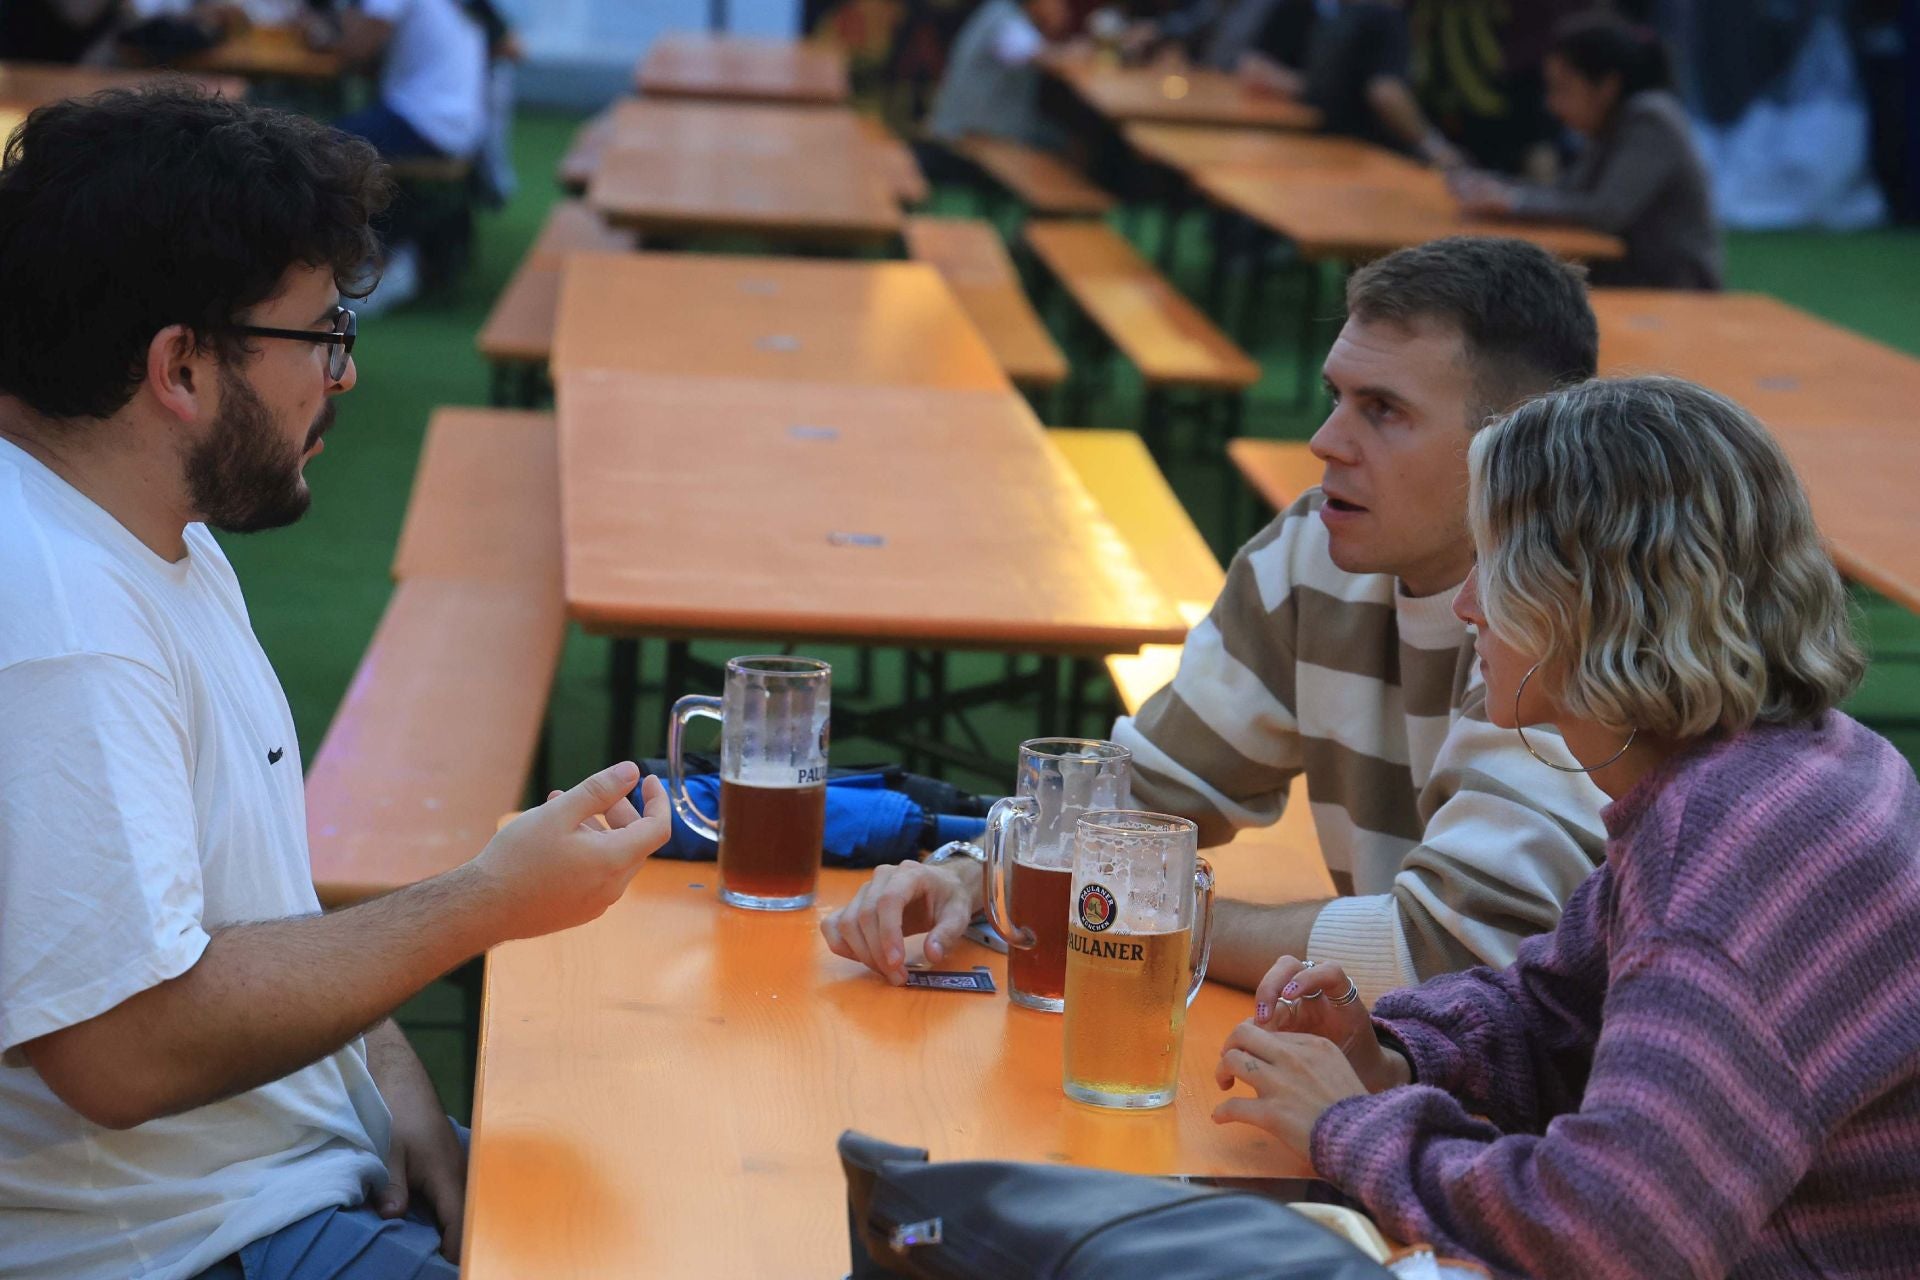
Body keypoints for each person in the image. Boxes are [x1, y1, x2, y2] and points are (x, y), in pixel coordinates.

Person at [0, 88, 670, 1278]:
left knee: (675, 1203)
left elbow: (234, 916)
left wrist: (384, 1070)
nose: (345, 377)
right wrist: (483, 898)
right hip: (181, 1239)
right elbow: (121, 1046)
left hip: (280, 1175)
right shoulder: (60, 624)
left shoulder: (151, 528)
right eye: (323, 334)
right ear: (182, 368)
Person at [1213, 375, 1919, 1277]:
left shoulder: (1728, 846)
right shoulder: (1773, 767)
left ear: (1589, 595)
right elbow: (1558, 1011)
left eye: (1491, 561)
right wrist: (1388, 1055)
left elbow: (1609, 1230)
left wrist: (1348, 1127)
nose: (1466, 602)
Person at [822, 237, 1610, 1004]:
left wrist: (1131, 914)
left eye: (1383, 411)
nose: (1324, 441)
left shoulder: (1572, 613)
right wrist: (971, 873)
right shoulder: (1316, 553)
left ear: (1518, 441)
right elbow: (1151, 790)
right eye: (1337, 397)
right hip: (1405, 1070)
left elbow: (1448, 956)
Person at [1449, 13, 1723, 289]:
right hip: (1630, 278)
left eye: (1562, 89)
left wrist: (1511, 201)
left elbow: (1605, 211)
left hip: (1672, 288)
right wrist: (1497, 188)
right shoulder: (1614, 121)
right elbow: (1566, 194)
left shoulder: (1650, 120)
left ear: (1607, 86)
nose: (1552, 104)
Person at [1238, 0, 1463, 167]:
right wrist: (1435, 147)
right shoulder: (1386, 18)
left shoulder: (1345, 14)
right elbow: (1385, 91)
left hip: (1314, 142)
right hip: (1363, 156)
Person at [925, 0, 1074, 150]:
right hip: (968, 133)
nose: (1062, 8)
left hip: (974, 124)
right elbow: (1048, 60)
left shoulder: (1000, 9)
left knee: (1060, 136)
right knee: (1069, 144)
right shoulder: (1007, 22)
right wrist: (1078, 53)